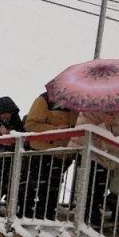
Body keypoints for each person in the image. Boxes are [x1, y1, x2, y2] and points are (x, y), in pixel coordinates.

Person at [21, 92, 77, 220]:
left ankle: (47, 214)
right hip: (42, 151)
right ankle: (26, 213)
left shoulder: (75, 104)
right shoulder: (44, 100)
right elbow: (30, 124)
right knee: (36, 183)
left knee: (54, 185)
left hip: (63, 152)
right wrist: (55, 130)